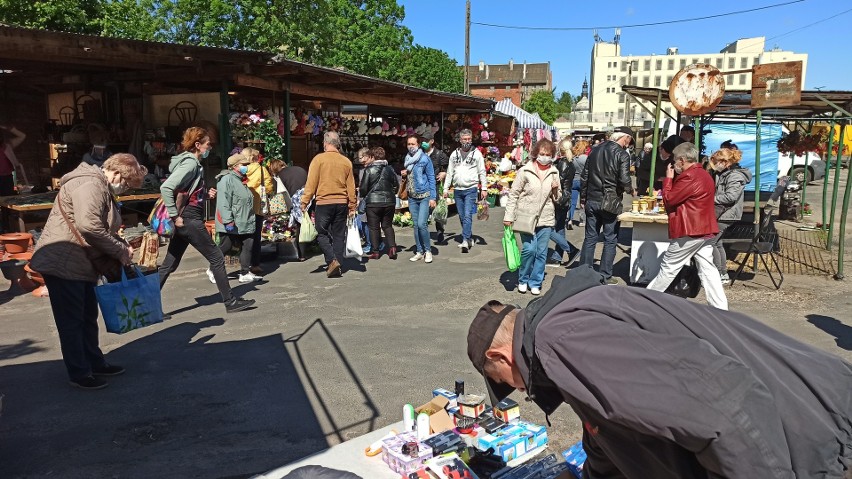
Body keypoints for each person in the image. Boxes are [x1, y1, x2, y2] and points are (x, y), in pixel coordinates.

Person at [466, 268, 852, 479]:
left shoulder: (559, 337)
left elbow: (726, 403)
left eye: (505, 383)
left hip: (811, 440)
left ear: (501, 356)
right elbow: (609, 426)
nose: (520, 390)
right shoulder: (563, 330)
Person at [31, 153, 147, 389]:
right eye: (126, 183)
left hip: (79, 261)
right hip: (65, 262)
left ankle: (94, 362)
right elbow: (89, 226)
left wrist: (118, 244)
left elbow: (94, 226)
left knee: (86, 317)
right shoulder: (90, 184)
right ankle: (79, 372)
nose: (124, 189)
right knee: (72, 321)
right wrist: (119, 250)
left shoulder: (97, 184)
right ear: (116, 173)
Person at [158, 127, 255, 313]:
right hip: (189, 219)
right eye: (208, 144)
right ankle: (230, 302)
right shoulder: (190, 164)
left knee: (169, 264)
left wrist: (204, 194)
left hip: (187, 217)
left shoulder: (189, 163)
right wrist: (174, 215)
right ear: (197, 145)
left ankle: (148, 306)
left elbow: (187, 190)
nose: (210, 148)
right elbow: (167, 188)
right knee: (217, 257)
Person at [646, 142, 728, 309]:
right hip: (703, 229)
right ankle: (720, 308)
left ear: (682, 160)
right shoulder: (703, 174)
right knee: (707, 269)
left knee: (669, 268)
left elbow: (669, 200)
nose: (673, 164)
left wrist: (668, 179)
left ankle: (645, 302)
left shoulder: (689, 177)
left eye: (675, 160)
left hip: (689, 229)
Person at [503, 138, 561, 296]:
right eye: (542, 153)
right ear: (536, 154)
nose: (545, 157)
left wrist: (556, 190)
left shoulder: (554, 172)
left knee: (542, 252)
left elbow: (558, 198)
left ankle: (535, 281)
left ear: (552, 155)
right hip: (526, 217)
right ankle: (523, 278)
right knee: (529, 249)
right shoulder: (525, 171)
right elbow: (513, 194)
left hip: (546, 217)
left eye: (548, 154)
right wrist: (508, 216)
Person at [580, 127, 632, 284]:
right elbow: (624, 179)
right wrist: (630, 189)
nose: (629, 143)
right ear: (626, 138)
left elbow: (585, 176)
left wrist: (583, 198)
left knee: (590, 237)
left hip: (592, 199)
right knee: (610, 239)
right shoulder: (622, 154)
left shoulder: (595, 150)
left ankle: (584, 273)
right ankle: (605, 275)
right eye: (629, 140)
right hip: (611, 201)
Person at [301, 131, 356, 278]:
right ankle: (337, 263)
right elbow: (351, 186)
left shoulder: (318, 160)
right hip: (341, 203)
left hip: (324, 202)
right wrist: (352, 206)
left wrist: (304, 202)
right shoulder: (346, 162)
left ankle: (332, 261)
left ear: (325, 144)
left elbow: (311, 183)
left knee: (321, 233)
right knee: (339, 235)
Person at [214, 153, 262, 283]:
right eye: (244, 165)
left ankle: (245, 272)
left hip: (244, 220)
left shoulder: (241, 180)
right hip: (233, 221)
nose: (246, 167)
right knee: (226, 246)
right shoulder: (227, 180)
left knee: (248, 244)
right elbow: (224, 202)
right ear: (235, 166)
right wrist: (228, 220)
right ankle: (213, 269)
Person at [710, 147, 751, 285]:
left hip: (726, 214)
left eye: (717, 162)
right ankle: (722, 274)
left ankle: (719, 273)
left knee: (712, 243)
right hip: (726, 213)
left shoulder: (734, 176)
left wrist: (711, 199)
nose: (715, 165)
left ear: (725, 162)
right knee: (718, 243)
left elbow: (731, 196)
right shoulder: (726, 173)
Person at [443, 129, 487, 253]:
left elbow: (482, 171)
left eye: (469, 139)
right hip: (458, 189)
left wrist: (484, 188)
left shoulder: (476, 154)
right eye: (464, 139)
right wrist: (446, 188)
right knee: (462, 216)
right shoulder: (454, 154)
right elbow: (450, 172)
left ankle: (465, 240)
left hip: (471, 189)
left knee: (467, 215)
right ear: (460, 140)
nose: (467, 141)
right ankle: (469, 237)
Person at [359, 146, 399, 260]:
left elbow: (363, 189)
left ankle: (375, 251)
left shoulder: (369, 170)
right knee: (387, 225)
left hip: (373, 202)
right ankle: (392, 247)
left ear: (372, 157)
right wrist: (391, 193)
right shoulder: (390, 169)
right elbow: (396, 185)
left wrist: (363, 196)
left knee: (374, 227)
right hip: (389, 201)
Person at [403, 134, 437, 263]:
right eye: (409, 144)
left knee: (422, 224)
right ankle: (419, 251)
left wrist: (433, 197)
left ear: (418, 145)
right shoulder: (407, 159)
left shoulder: (424, 159)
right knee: (415, 225)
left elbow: (431, 178)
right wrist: (405, 174)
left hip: (424, 196)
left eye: (413, 144)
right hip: (412, 196)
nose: (411, 146)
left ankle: (428, 250)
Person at [242, 147, 274, 276]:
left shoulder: (241, 170)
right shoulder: (261, 170)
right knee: (255, 237)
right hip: (257, 207)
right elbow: (269, 187)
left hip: (243, 207)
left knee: (244, 235)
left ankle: (243, 262)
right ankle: (255, 264)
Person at [547, 138, 580, 267]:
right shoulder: (569, 162)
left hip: (560, 199)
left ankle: (571, 249)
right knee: (559, 227)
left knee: (546, 228)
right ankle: (557, 257)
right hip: (566, 198)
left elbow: (557, 182)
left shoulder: (563, 163)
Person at [276, 162, 309, 262]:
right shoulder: (299, 168)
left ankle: (301, 254)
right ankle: (306, 250)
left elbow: (280, 192)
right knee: (304, 223)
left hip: (294, 200)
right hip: (307, 197)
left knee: (299, 226)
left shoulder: (281, 175)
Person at [423, 130, 449, 243]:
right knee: (423, 211)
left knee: (436, 209)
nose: (423, 143)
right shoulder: (420, 154)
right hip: (422, 186)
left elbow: (450, 167)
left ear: (432, 141)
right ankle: (423, 234)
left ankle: (439, 231)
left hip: (435, 185)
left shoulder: (439, 154)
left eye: (426, 141)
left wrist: (444, 173)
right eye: (422, 141)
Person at [0, 124, 26, 197]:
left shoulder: (7, 145)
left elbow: (22, 136)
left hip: (7, 178)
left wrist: (8, 128)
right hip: (6, 178)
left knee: (8, 200)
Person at [568, 140, 588, 228]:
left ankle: (570, 219)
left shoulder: (572, 158)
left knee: (572, 202)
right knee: (583, 201)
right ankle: (582, 220)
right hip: (583, 181)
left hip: (573, 181)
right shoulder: (586, 158)